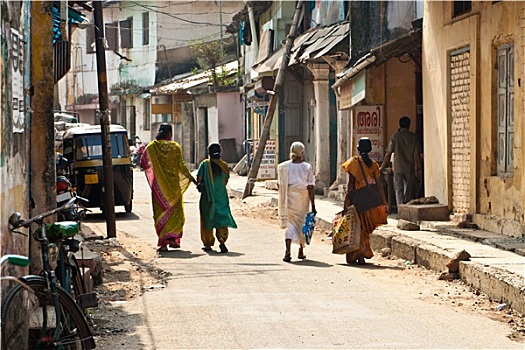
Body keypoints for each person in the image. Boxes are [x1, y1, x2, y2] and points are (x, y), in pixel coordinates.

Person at [140, 123, 197, 252]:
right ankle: (172, 239)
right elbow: (181, 166)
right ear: (170, 133)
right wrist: (192, 179)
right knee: (176, 214)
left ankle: (164, 244)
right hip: (174, 187)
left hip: (159, 188)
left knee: (160, 213)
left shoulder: (152, 147)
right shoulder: (175, 147)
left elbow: (143, 162)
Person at [342, 137, 388, 265]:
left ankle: (360, 252)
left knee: (358, 228)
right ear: (370, 149)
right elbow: (379, 185)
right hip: (371, 201)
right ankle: (362, 252)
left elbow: (351, 184)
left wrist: (346, 199)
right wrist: (384, 202)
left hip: (357, 200)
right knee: (365, 229)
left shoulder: (353, 163)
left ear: (357, 149)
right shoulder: (374, 165)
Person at [277, 142, 316, 262]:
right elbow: (310, 187)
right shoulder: (307, 167)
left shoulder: (284, 167)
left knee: (290, 224)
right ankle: (301, 250)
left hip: (290, 198)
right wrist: (313, 204)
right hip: (303, 199)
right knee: (303, 224)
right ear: (302, 153)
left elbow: (280, 185)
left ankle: (287, 251)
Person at [196, 143, 237, 253]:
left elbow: (199, 180)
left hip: (207, 197)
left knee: (207, 219)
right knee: (221, 218)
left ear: (208, 153)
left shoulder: (204, 165)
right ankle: (222, 239)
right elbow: (225, 180)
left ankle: (208, 243)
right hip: (221, 196)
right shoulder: (224, 165)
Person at [379, 116, 422, 208]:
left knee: (398, 190)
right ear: (409, 125)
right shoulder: (413, 137)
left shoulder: (395, 137)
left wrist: (382, 167)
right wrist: (418, 168)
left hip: (398, 167)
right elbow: (416, 155)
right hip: (409, 167)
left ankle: (400, 209)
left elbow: (388, 153)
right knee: (408, 191)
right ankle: (406, 208)